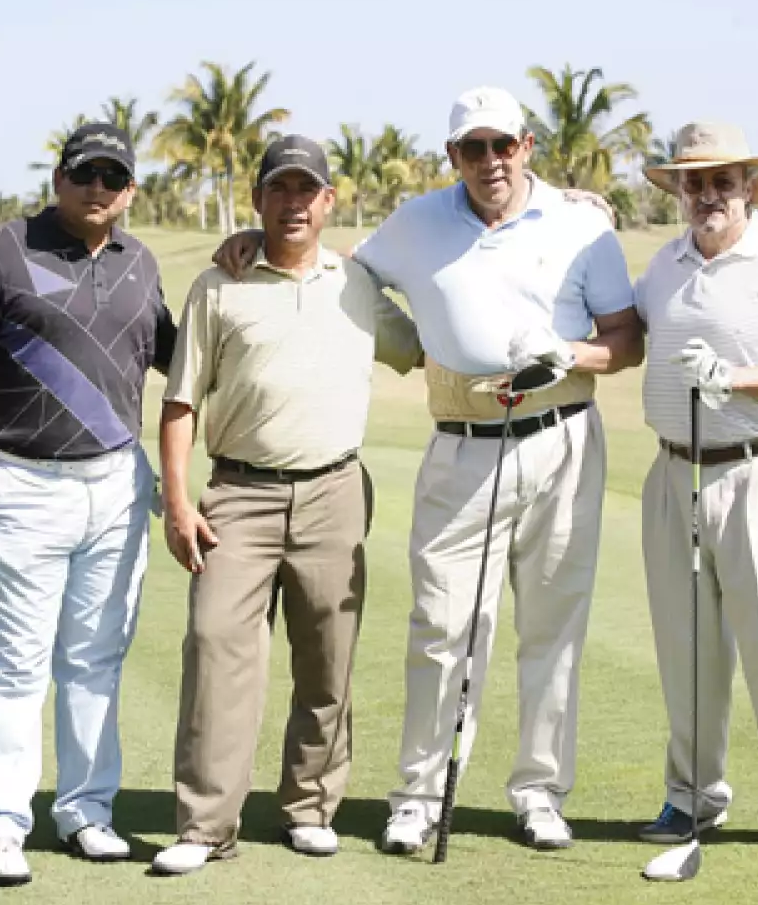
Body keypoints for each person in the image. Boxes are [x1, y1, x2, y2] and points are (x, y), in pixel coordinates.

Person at [216, 87, 644, 854]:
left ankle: (539, 792)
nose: (490, 162)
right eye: (472, 149)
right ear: (452, 157)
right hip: (461, 445)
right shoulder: (416, 224)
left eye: (503, 145)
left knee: (553, 629)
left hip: (563, 440)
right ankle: (417, 796)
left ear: (528, 146)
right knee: (443, 629)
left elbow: (626, 339)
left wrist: (570, 355)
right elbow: (336, 269)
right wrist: (255, 236)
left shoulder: (583, 227)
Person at [151, 136, 422, 876]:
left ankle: (310, 807)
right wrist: (178, 502)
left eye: (308, 190)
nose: (294, 203)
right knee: (214, 646)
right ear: (259, 200)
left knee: (326, 657)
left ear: (328, 201)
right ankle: (206, 825)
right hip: (237, 492)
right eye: (280, 190)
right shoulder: (219, 285)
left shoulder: (356, 284)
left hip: (335, 490)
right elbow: (180, 402)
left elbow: (427, 343)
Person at [0, 122, 176, 886]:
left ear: (130, 190)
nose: (99, 187)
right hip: (23, 482)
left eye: (114, 176)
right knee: (13, 663)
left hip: (116, 483)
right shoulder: (2, 251)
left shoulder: (140, 263)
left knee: (95, 658)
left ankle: (87, 812)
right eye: (85, 173)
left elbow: (171, 352)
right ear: (59, 179)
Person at [631, 121, 758, 855]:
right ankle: (691, 799)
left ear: (749, 185)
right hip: (673, 474)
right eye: (694, 181)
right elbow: (625, 333)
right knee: (685, 650)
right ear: (679, 190)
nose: (708, 194)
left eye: (723, 180)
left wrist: (735, 379)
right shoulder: (663, 267)